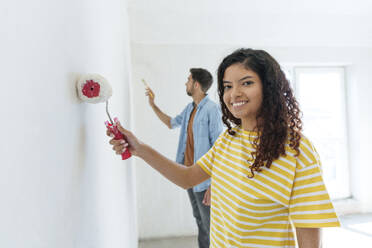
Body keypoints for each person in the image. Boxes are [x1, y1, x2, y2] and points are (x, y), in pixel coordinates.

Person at [108, 48, 340, 248]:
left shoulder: (296, 149)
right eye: (227, 86)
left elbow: (309, 221)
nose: (234, 93)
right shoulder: (228, 140)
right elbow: (188, 177)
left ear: (269, 88)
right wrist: (139, 148)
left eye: (246, 83)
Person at [144, 68, 223, 248]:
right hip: (188, 174)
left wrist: (214, 182)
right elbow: (171, 123)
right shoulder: (190, 109)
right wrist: (153, 104)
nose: (185, 83)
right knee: (200, 221)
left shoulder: (212, 110)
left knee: (211, 225)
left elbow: (219, 148)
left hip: (205, 178)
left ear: (196, 84)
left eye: (188, 79)